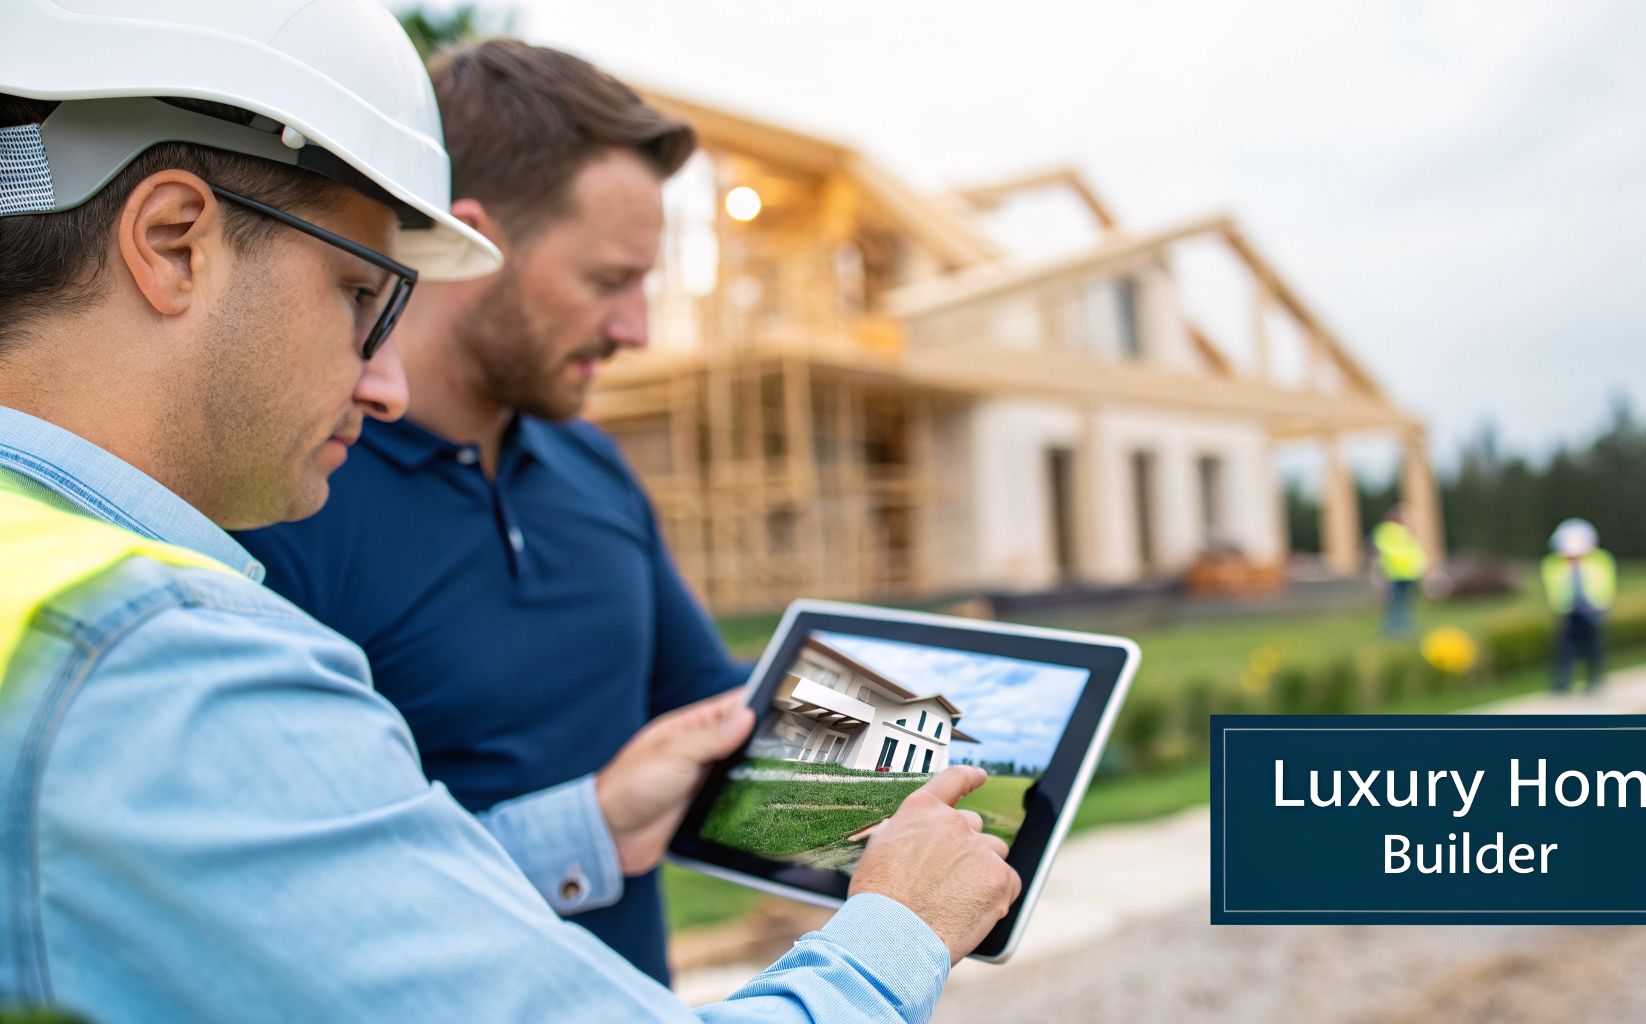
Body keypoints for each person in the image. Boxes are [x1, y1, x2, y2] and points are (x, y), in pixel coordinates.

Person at [0, 3, 1020, 1021]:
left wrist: (959, 749)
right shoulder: (191, 610)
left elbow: (344, 896)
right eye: (359, 294)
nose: (383, 385)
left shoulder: (586, 466)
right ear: (173, 243)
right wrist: (899, 929)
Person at [232, 40, 740, 982]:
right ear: (472, 244)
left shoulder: (591, 463)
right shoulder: (284, 496)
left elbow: (712, 711)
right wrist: (590, 825)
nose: (636, 329)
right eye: (608, 281)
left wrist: (963, 742)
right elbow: (306, 898)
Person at [1543, 517, 1616, 694]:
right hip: (1567, 611)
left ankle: (1594, 680)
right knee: (1564, 649)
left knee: (1593, 647)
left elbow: (1606, 583)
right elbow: (1552, 588)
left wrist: (1603, 604)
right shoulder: (1553, 563)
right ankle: (1562, 684)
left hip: (1592, 610)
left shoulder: (1600, 559)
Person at [1372, 505, 1427, 637]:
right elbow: (1386, 550)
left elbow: (1414, 551)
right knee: (1397, 603)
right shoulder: (1390, 531)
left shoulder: (1401, 531)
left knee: (1403, 602)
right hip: (1396, 573)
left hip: (1407, 573)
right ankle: (1394, 629)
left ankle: (1403, 627)